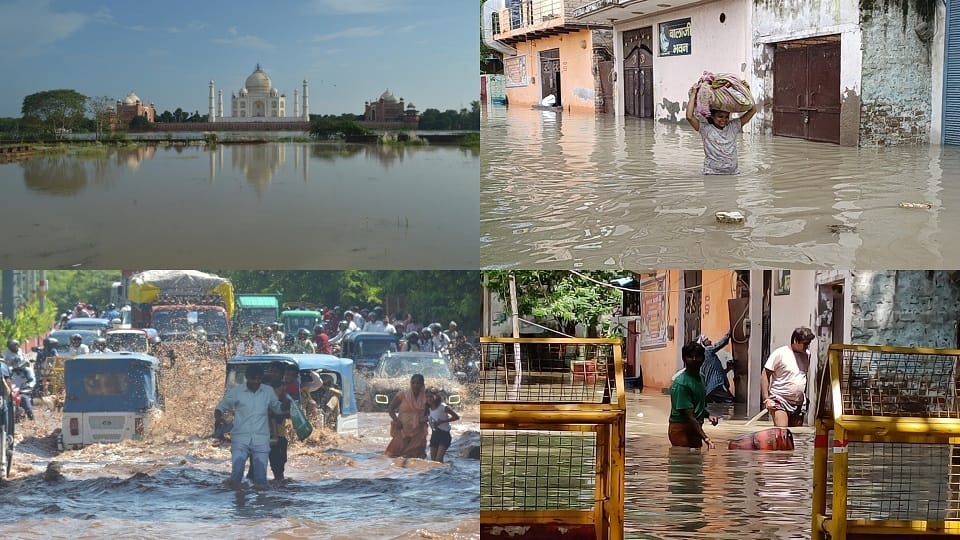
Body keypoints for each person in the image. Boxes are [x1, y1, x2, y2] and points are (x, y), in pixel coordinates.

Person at [214, 364, 283, 490]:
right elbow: (222, 406)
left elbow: (278, 409)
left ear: (261, 378)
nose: (255, 381)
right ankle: (238, 504)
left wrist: (287, 407)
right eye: (252, 378)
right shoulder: (237, 392)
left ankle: (260, 506)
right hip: (240, 438)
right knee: (236, 474)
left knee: (261, 479)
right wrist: (218, 417)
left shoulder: (268, 392)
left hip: (261, 439)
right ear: (246, 377)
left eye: (258, 378)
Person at [686, 86, 756, 175]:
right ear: (712, 116)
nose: (724, 119)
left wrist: (746, 91)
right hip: (712, 174)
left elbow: (753, 111)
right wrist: (693, 95)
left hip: (732, 174)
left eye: (727, 117)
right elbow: (689, 117)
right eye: (720, 116)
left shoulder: (733, 126)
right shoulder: (706, 129)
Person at [668, 341, 719, 450]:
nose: (694, 359)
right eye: (690, 356)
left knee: (696, 463)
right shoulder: (681, 384)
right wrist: (706, 438)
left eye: (698, 356)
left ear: (703, 358)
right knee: (683, 460)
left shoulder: (701, 378)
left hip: (695, 428)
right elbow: (689, 416)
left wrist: (708, 415)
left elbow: (697, 407)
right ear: (684, 359)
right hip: (681, 429)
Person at [762, 327, 815, 427]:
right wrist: (767, 399)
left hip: (798, 403)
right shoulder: (780, 353)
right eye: (805, 343)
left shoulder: (807, 354)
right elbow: (765, 374)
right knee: (782, 433)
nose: (807, 346)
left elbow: (803, 377)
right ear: (795, 341)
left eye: (808, 343)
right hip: (780, 400)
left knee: (795, 437)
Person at [384, 374, 428, 459]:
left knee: (417, 457)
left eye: (418, 383)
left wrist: (425, 418)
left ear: (422, 384)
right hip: (402, 430)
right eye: (413, 382)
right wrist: (396, 420)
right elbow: (391, 409)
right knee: (395, 455)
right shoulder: (403, 394)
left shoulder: (426, 396)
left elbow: (430, 411)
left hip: (419, 431)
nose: (415, 385)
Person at [697, 333, 734, 403]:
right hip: (716, 386)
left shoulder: (706, 358)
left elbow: (716, 372)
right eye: (706, 340)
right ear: (703, 344)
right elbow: (720, 344)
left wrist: (728, 369)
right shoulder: (707, 351)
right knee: (730, 402)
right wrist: (729, 333)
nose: (709, 341)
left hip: (710, 390)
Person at [426, 388, 460, 463]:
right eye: (427, 397)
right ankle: (440, 474)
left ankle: (447, 473)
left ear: (436, 396)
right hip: (434, 435)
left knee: (438, 460)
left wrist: (443, 421)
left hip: (444, 436)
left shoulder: (442, 406)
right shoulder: (428, 408)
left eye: (431, 396)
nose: (429, 399)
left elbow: (456, 417)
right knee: (433, 461)